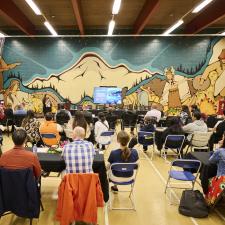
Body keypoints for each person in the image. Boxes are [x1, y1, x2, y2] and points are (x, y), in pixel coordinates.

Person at [205, 132, 225, 206]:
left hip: (222, 180)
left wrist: (219, 147)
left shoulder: (220, 151)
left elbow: (211, 161)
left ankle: (210, 200)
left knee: (207, 179)